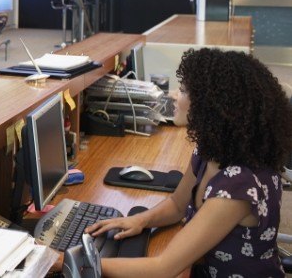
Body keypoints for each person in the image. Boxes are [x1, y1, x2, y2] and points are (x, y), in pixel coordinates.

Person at [86, 48, 292, 277]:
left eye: (183, 90)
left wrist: (68, 262)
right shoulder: (210, 152)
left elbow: (162, 269)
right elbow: (177, 205)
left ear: (211, 106)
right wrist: (140, 220)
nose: (174, 95)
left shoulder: (239, 187)